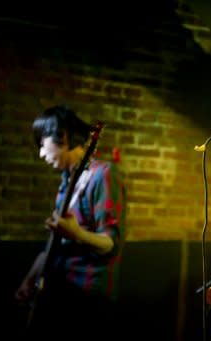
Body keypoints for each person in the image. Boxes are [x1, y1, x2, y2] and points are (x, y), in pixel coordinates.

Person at [15, 105, 127, 338]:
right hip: (60, 291)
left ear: (63, 137)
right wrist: (29, 279)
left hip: (88, 298)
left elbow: (111, 243)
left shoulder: (102, 174)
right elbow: (53, 243)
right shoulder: (67, 182)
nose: (41, 154)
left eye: (41, 144)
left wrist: (77, 234)